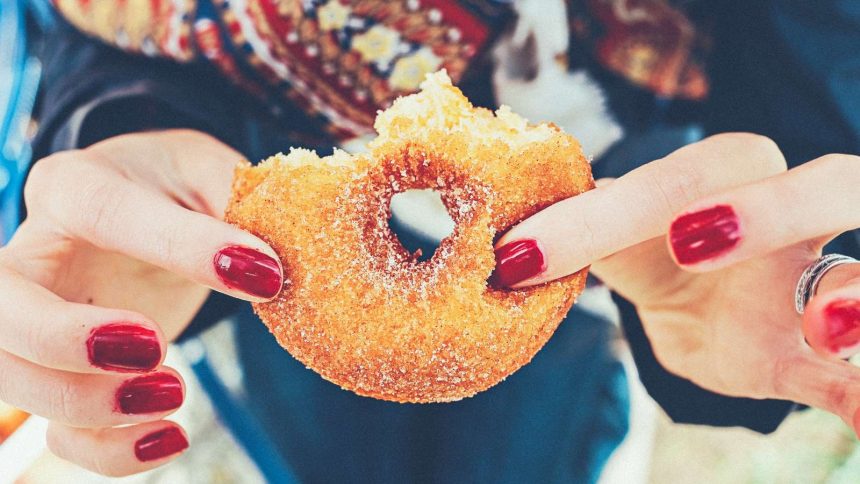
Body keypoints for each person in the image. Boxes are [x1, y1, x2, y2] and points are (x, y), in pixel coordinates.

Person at [0, 0, 858, 481]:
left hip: (588, 278)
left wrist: (782, 214)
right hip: (287, 279)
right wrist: (122, 124)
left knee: (530, 462)